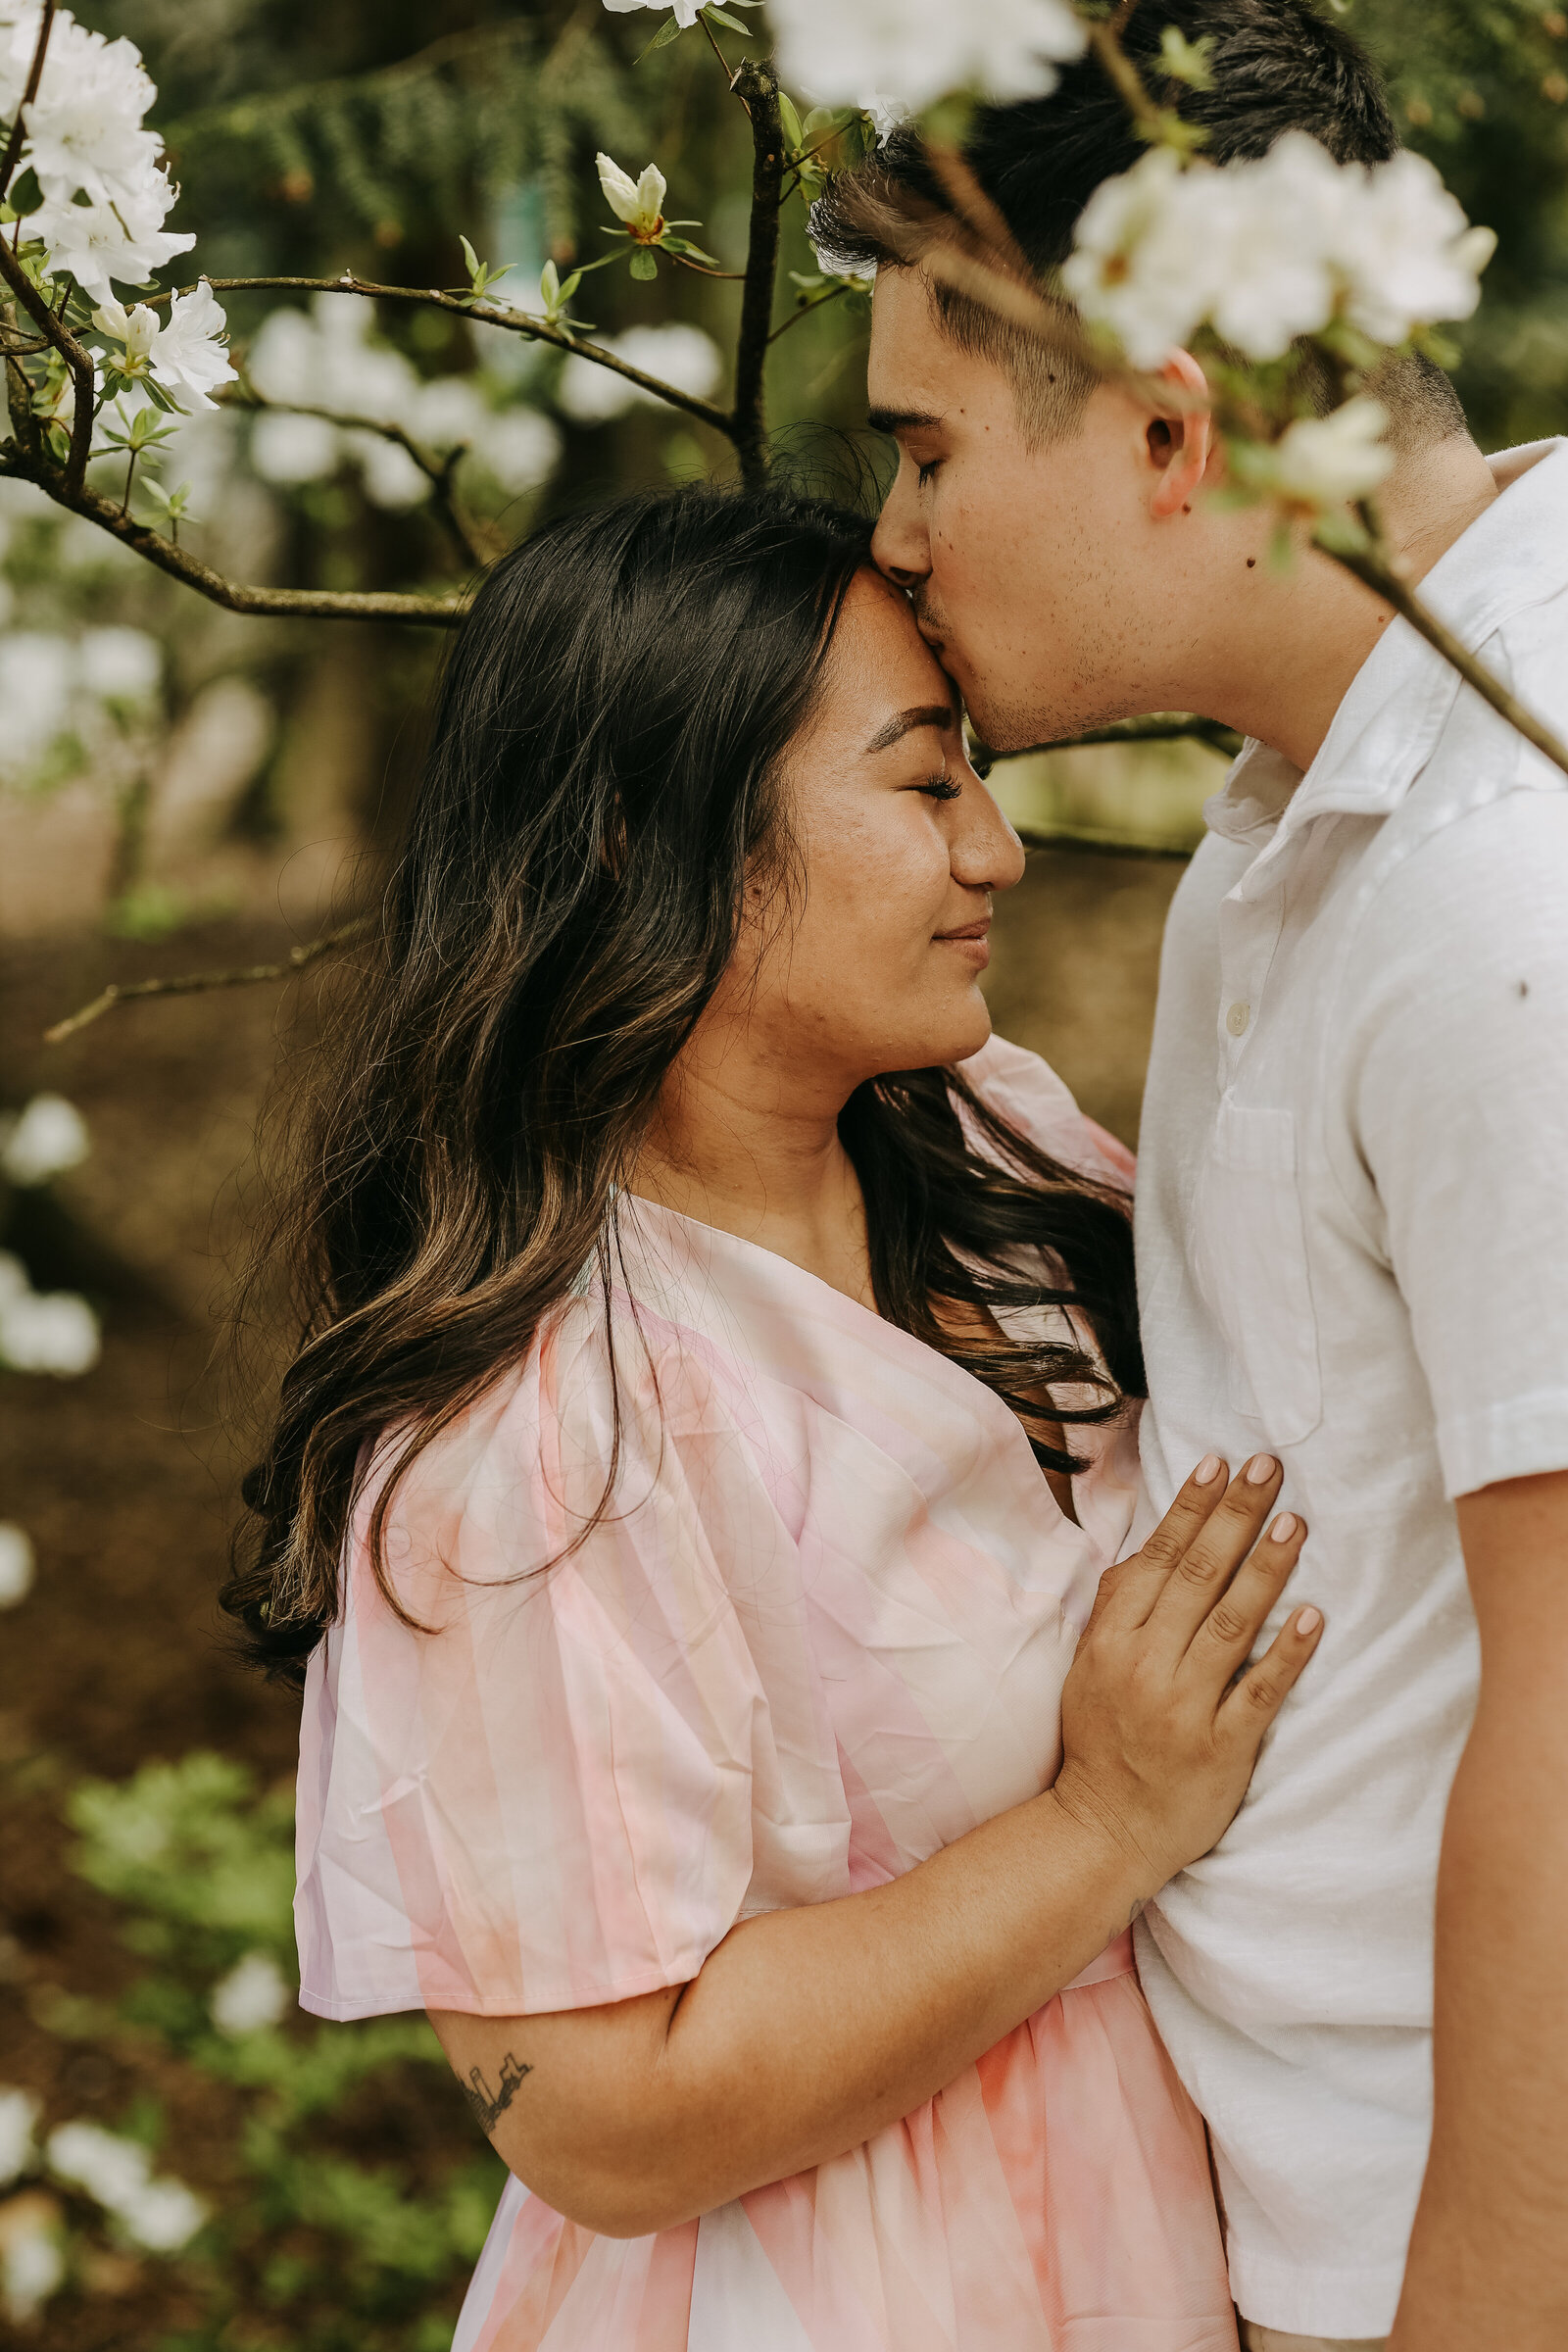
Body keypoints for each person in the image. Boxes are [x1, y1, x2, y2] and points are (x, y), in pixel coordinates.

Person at [225, 482, 1324, 2350]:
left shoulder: (993, 1144)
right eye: (921, 785)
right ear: (662, 840)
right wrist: (1105, 1825)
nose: (998, 849)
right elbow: (604, 2119)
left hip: (1186, 2222)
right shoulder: (533, 1444)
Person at [810, 4, 1568, 2349]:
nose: (895, 536)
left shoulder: (1498, 887)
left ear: (1171, 424)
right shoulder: (1299, 808)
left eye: (923, 450)